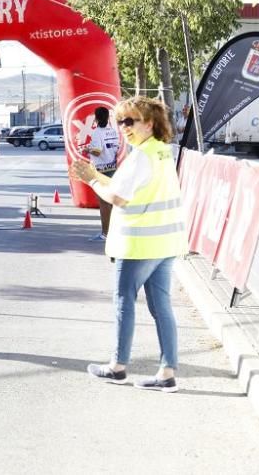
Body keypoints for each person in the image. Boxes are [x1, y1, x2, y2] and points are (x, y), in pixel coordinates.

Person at [69, 96, 186, 393]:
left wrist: (91, 181)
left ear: (149, 123)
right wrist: (96, 175)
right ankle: (167, 372)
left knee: (124, 303)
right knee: (162, 307)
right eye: (120, 121)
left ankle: (117, 367)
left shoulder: (140, 157)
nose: (123, 127)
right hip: (164, 243)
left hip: (138, 245)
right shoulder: (160, 152)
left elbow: (119, 197)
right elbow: (126, 187)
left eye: (130, 121)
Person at [86, 106, 121, 241]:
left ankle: (105, 233)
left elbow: (97, 151)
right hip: (112, 168)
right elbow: (116, 148)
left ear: (96, 118)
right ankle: (113, 232)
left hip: (101, 169)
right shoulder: (113, 131)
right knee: (111, 202)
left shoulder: (96, 133)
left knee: (103, 203)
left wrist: (87, 149)